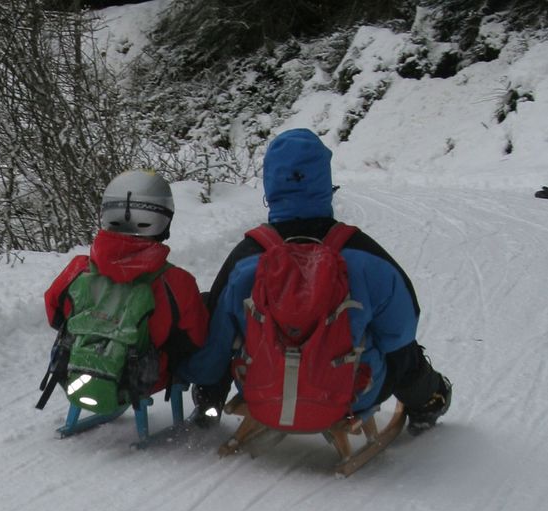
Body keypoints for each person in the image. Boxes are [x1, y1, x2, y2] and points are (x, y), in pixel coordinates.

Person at [177, 129, 451, 435]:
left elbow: (215, 346)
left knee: (223, 324)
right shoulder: (363, 255)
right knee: (403, 350)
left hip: (261, 394)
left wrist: (203, 387)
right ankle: (428, 402)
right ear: (324, 182)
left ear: (271, 185)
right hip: (353, 395)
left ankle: (207, 409)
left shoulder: (247, 258)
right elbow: (400, 333)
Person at [44, 169, 208, 401]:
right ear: (163, 221)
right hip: (140, 383)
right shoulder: (177, 283)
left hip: (73, 373)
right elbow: (194, 341)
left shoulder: (77, 270)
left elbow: (55, 316)